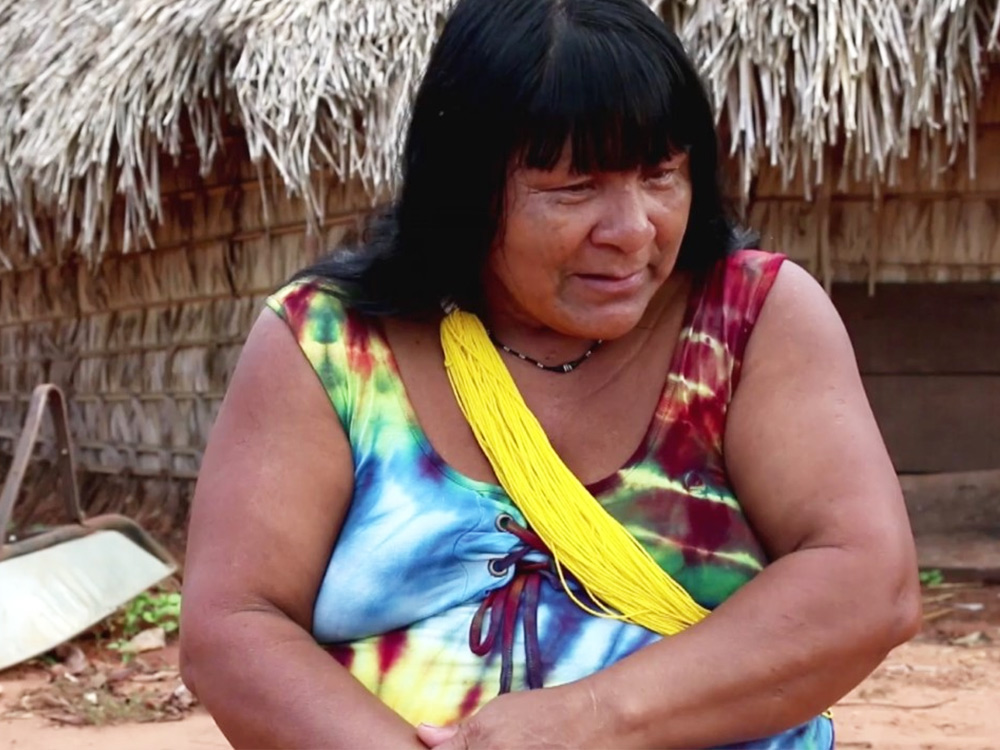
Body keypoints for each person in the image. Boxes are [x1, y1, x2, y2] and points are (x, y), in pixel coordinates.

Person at [179, 0, 922, 747]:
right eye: (574, 188)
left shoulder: (751, 319)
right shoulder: (330, 343)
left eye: (661, 174)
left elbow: (868, 581)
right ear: (466, 189)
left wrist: (592, 718)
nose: (632, 229)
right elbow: (235, 624)